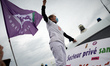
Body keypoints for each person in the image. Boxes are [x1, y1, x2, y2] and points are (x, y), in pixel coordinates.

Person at [41, 0, 77, 66]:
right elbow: (43, 15)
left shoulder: (58, 27)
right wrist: (44, 4)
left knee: (64, 62)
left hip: (62, 44)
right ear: (51, 18)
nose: (56, 18)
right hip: (55, 43)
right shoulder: (49, 23)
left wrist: (72, 39)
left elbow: (65, 34)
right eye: (55, 17)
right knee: (60, 62)